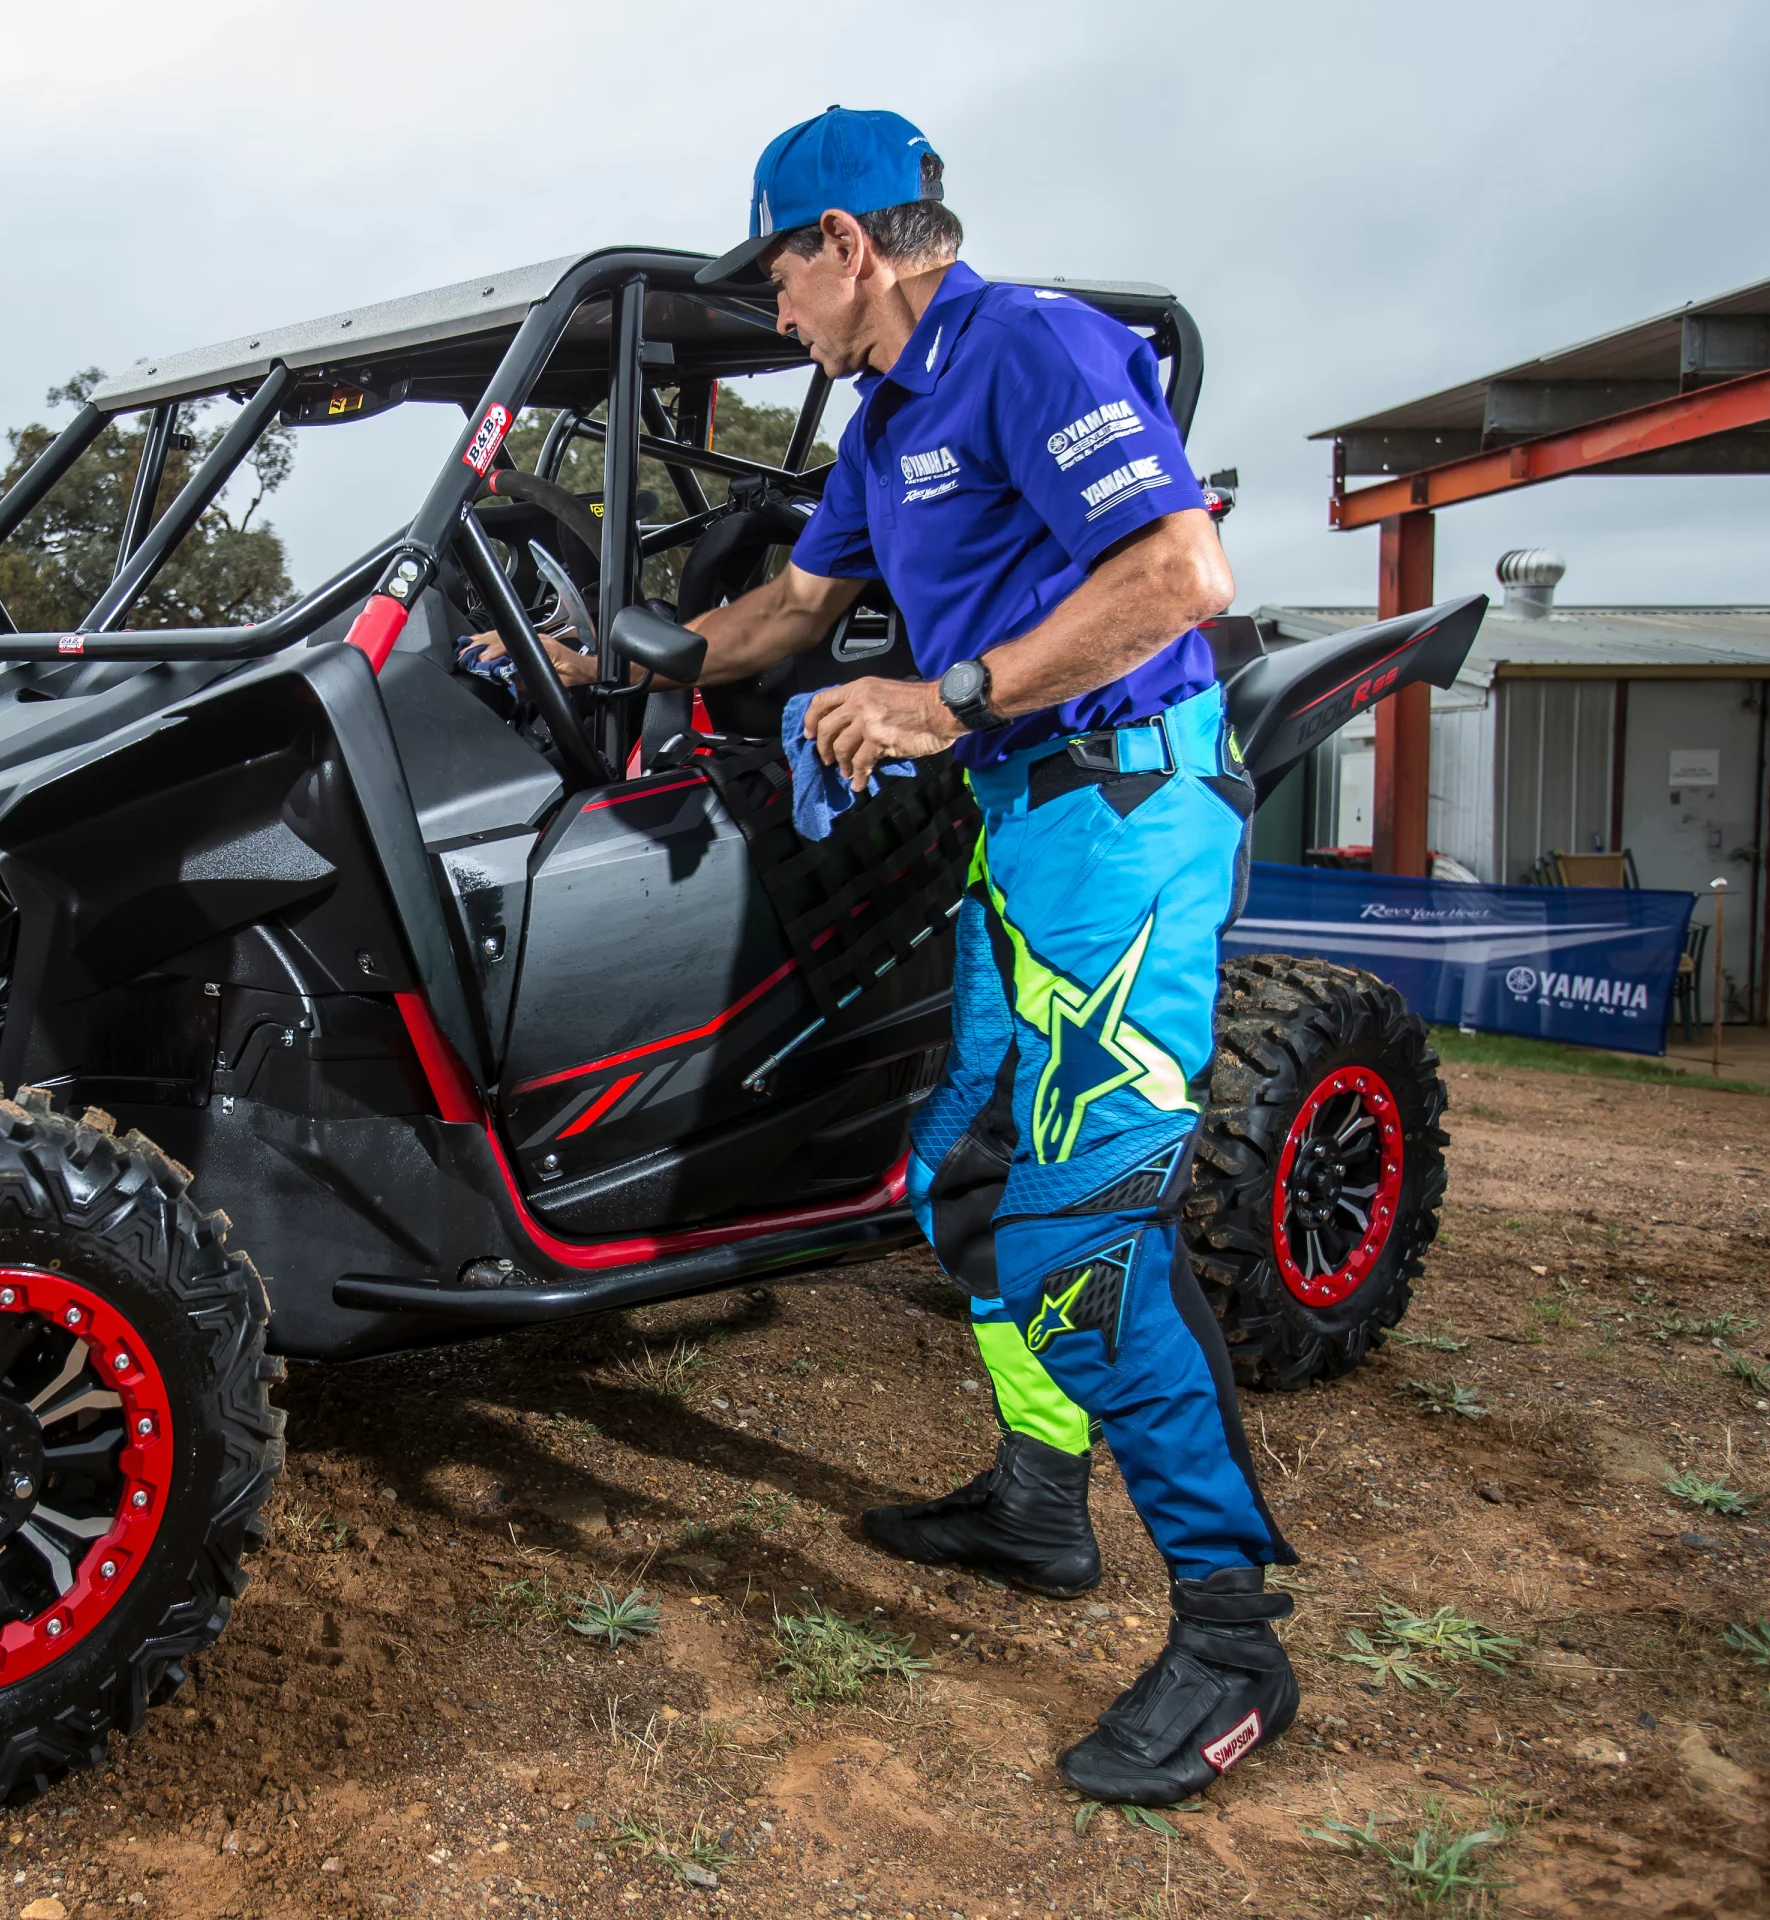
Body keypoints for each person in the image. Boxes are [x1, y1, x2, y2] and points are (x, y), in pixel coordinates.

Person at [490, 107, 1297, 1806]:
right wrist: (601, 659)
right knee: (966, 1176)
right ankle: (1034, 1496)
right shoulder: (885, 416)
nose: (770, 307)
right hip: (1026, 822)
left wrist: (948, 697)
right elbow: (786, 611)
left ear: (850, 244)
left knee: (1084, 1233)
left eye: (776, 268)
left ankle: (1233, 1640)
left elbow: (1180, 573)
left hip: (1126, 818)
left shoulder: (1031, 347)